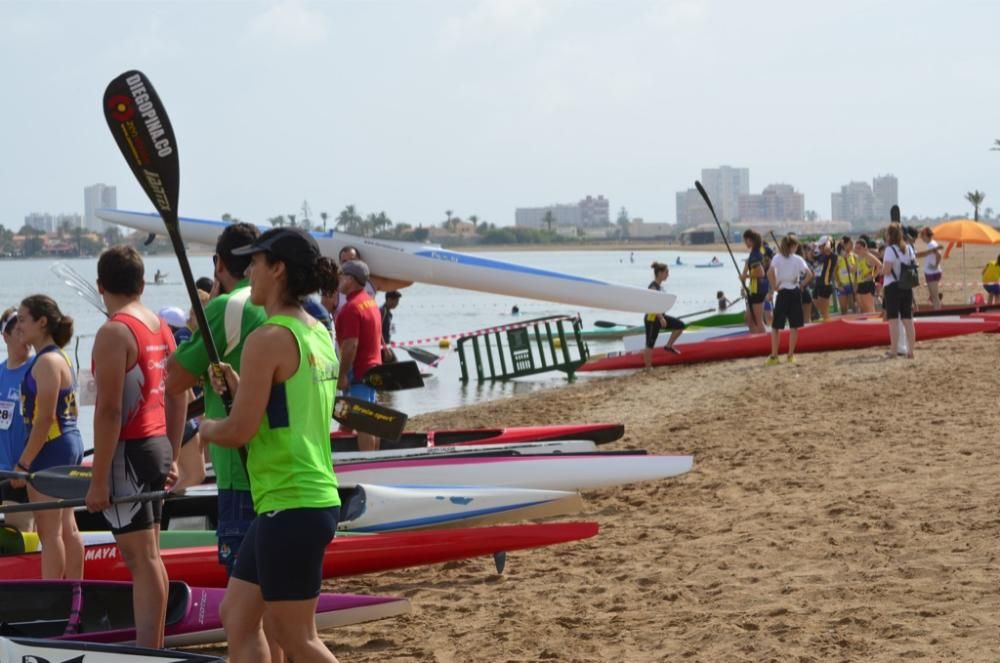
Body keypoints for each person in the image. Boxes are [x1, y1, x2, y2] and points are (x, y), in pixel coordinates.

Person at [197, 227, 341, 663]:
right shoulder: (316, 331)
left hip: (292, 501)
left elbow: (238, 430)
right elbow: (283, 408)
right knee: (237, 614)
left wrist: (205, 428)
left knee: (295, 636)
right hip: (292, 499)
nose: (248, 271)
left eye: (255, 262)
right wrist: (243, 386)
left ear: (277, 269)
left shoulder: (268, 338)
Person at [84, 246, 186, 648]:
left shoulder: (113, 332)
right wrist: (173, 454)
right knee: (151, 558)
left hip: (126, 453)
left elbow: (108, 411)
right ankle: (154, 649)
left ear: (100, 285)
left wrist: (97, 480)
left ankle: (149, 652)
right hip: (156, 446)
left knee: (141, 563)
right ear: (142, 284)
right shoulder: (160, 326)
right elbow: (179, 394)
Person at [165, 223, 266, 579]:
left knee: (242, 600)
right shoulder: (280, 306)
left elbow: (175, 378)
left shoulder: (226, 307)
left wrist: (191, 336)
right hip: (280, 470)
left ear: (219, 264)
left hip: (240, 473)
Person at [10, 295, 84, 579]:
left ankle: (54, 596)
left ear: (42, 322)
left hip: (51, 448)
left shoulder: (47, 362)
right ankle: (77, 592)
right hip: (66, 443)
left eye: (24, 318)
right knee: (67, 525)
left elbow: (44, 418)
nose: (19, 324)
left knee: (49, 529)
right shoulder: (58, 356)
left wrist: (24, 463)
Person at [334, 260, 382, 452]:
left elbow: (350, 345)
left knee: (364, 423)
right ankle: (342, 456)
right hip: (373, 370)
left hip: (358, 373)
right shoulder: (371, 303)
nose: (339, 280)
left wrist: (342, 374)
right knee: (352, 418)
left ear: (351, 279)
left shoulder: (351, 308)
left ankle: (369, 467)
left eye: (342, 275)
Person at [158, 306, 205, 494]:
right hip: (178, 415)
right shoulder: (176, 342)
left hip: (180, 415)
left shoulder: (168, 342)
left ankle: (163, 502)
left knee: (195, 474)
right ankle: (162, 504)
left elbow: (181, 385)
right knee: (195, 474)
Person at [0, 309, 34, 533]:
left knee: (22, 535)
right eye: (19, 332)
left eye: (27, 332)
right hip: (3, 469)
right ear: (5, 337)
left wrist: (24, 465)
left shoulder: (36, 370)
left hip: (24, 471)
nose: (27, 339)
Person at [765, 235, 813, 365]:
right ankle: (790, 355)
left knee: (776, 327)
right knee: (794, 326)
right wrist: (802, 285)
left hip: (783, 292)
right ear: (793, 246)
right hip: (795, 292)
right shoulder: (798, 259)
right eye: (796, 246)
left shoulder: (777, 258)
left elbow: (769, 272)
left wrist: (774, 286)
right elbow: (809, 275)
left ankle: (774, 356)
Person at [881, 222, 917, 359]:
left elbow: (887, 270)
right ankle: (911, 351)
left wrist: (880, 270)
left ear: (889, 235)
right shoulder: (908, 248)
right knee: (908, 320)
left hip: (893, 287)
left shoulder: (890, 250)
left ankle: (894, 351)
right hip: (907, 286)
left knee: (894, 320)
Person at [643, 262, 684, 370]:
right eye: (666, 272)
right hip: (652, 318)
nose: (668, 275)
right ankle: (648, 367)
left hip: (661, 317)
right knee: (650, 343)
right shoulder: (652, 287)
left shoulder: (660, 287)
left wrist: (662, 316)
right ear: (660, 273)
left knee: (680, 325)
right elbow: (651, 305)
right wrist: (661, 317)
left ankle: (668, 346)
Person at [334, 246, 377, 320]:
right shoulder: (332, 290)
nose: (349, 264)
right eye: (344, 261)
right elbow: (323, 319)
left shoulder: (373, 282)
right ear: (340, 263)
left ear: (360, 261)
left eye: (352, 260)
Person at [741, 230, 768, 333]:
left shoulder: (755, 255)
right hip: (754, 289)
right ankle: (754, 340)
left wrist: (746, 276)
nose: (745, 243)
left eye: (745, 240)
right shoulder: (756, 252)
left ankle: (764, 343)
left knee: (757, 320)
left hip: (758, 290)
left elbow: (761, 273)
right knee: (749, 319)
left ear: (749, 240)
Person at [916, 228, 943, 310]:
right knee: (933, 296)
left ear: (926, 235)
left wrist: (935, 265)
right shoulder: (932, 244)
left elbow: (939, 254)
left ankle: (938, 313)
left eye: (922, 236)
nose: (921, 238)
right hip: (931, 272)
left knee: (934, 296)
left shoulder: (931, 244)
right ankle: (937, 310)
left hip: (932, 273)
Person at [854, 239, 883, 314]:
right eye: (856, 248)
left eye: (859, 248)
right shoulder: (858, 258)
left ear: (865, 248)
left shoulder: (868, 256)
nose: (857, 250)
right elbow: (855, 271)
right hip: (860, 284)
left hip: (868, 284)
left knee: (869, 309)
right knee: (863, 309)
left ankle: (874, 324)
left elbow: (879, 265)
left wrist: (873, 275)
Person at [812, 238, 837, 320]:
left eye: (820, 246)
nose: (819, 248)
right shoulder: (820, 257)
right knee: (816, 309)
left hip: (825, 286)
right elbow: (810, 256)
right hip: (817, 285)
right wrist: (813, 247)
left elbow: (829, 247)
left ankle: (830, 329)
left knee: (824, 313)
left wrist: (828, 241)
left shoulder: (831, 256)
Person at [835, 236, 858, 315]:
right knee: (843, 309)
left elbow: (855, 271)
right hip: (842, 286)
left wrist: (855, 283)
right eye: (850, 243)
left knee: (854, 308)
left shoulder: (853, 256)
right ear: (844, 245)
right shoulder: (838, 257)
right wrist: (839, 284)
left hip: (852, 285)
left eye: (852, 243)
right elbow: (834, 272)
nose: (852, 245)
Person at [380, 291, 402, 363]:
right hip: (382, 347)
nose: (397, 304)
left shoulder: (389, 314)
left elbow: (386, 331)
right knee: (395, 364)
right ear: (389, 299)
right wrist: (385, 348)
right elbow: (378, 331)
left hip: (386, 345)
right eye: (396, 301)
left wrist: (390, 341)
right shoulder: (382, 312)